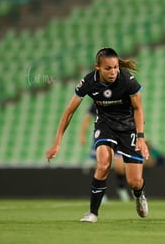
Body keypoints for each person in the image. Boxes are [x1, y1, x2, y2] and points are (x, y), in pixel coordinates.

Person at [46, 47, 149, 223]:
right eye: (108, 68)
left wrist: (140, 137)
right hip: (105, 125)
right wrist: (57, 142)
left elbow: (138, 109)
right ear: (98, 68)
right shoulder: (88, 82)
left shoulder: (127, 80)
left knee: (135, 181)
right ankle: (93, 213)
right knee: (102, 165)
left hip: (128, 128)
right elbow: (69, 112)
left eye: (115, 67)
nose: (113, 72)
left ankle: (139, 195)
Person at [80, 103, 131, 201]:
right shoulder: (96, 102)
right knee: (100, 166)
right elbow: (87, 119)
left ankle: (121, 188)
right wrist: (82, 135)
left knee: (119, 167)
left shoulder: (117, 98)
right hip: (102, 135)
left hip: (117, 136)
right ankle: (101, 193)